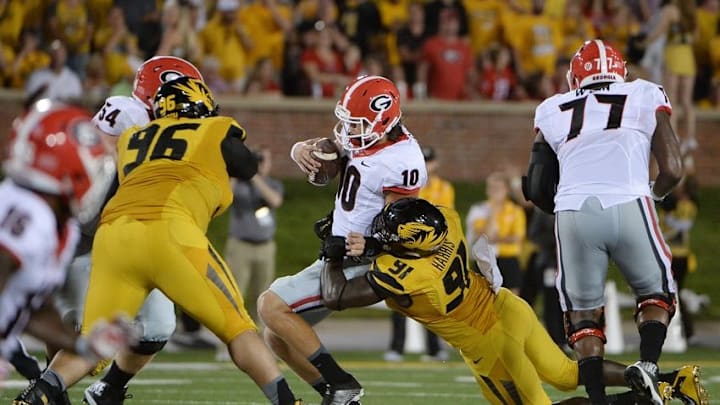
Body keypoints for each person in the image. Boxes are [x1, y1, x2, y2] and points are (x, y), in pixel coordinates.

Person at [15, 78, 304, 405]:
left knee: (93, 343)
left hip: (113, 236)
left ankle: (32, 397)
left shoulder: (133, 138)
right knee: (238, 328)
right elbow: (246, 165)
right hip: (169, 231)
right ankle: (288, 402)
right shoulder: (214, 128)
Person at [318, 197, 706, 405]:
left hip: (491, 347)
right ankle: (672, 382)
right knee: (571, 376)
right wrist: (373, 243)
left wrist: (332, 254)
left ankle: (640, 404)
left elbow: (335, 296)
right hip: (509, 308)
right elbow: (409, 244)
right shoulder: (448, 221)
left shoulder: (412, 276)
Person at [14, 55, 207, 405]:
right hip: (89, 227)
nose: (186, 106)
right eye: (178, 95)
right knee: (68, 317)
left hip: (135, 234)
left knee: (158, 326)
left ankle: (108, 390)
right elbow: (97, 166)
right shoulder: (127, 112)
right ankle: (47, 389)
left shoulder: (185, 131)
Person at [524, 39, 684, 405]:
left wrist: (562, 208)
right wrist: (654, 193)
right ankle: (648, 364)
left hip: (574, 210)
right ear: (620, 71)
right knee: (655, 294)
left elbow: (535, 185)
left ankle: (597, 398)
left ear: (574, 77)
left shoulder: (552, 109)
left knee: (583, 317)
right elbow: (673, 168)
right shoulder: (643, 93)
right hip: (629, 199)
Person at [257, 75, 427, 405]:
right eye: (348, 123)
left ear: (384, 121)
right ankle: (340, 397)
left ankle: (341, 384)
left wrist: (373, 243)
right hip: (338, 253)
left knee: (270, 305)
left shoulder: (402, 160)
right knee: (278, 336)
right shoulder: (371, 138)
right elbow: (335, 152)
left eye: (358, 125)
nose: (349, 132)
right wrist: (299, 150)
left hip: (362, 259)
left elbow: (400, 223)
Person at [0, 100, 132, 396]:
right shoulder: (30, 214)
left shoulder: (56, 222)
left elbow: (28, 308)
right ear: (71, 168)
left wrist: (83, 346)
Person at [385, 145, 453, 362]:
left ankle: (433, 348)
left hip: (431, 247)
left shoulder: (444, 188)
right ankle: (396, 347)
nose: (427, 167)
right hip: (407, 245)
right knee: (398, 292)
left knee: (431, 297)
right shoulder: (409, 186)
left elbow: (443, 216)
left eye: (429, 162)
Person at [466, 171, 526, 295]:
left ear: (506, 190)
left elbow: (517, 238)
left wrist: (495, 238)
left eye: (498, 188)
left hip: (508, 257)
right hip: (485, 258)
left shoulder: (515, 211)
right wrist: (494, 211)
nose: (495, 191)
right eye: (492, 188)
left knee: (512, 295)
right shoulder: (479, 209)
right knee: (483, 295)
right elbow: (485, 236)